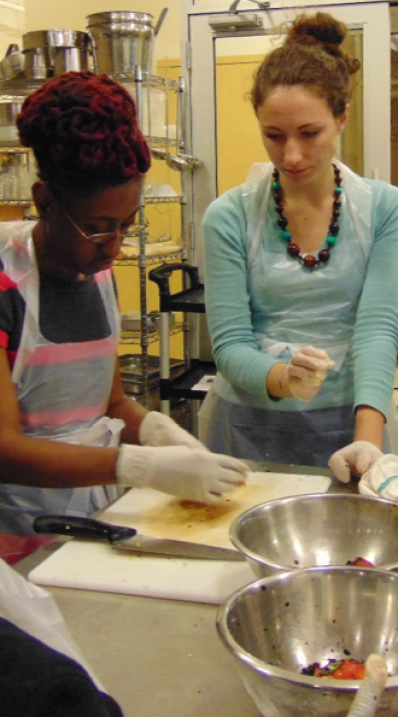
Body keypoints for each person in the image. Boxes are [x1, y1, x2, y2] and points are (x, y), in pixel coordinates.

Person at [0, 71, 248, 563]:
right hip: (18, 538)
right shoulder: (7, 285)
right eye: (97, 229)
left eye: (127, 225)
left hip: (98, 520)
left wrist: (159, 433)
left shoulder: (95, 272)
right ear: (44, 200)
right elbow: (4, 450)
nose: (113, 248)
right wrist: (138, 465)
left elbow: (111, 403)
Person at [201, 12, 398, 481]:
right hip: (250, 420)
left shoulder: (383, 208)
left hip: (353, 417)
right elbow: (231, 344)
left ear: (341, 119)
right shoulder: (229, 216)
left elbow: (376, 331)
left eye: (309, 134)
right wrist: (285, 378)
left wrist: (367, 444)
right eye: (273, 136)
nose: (290, 155)